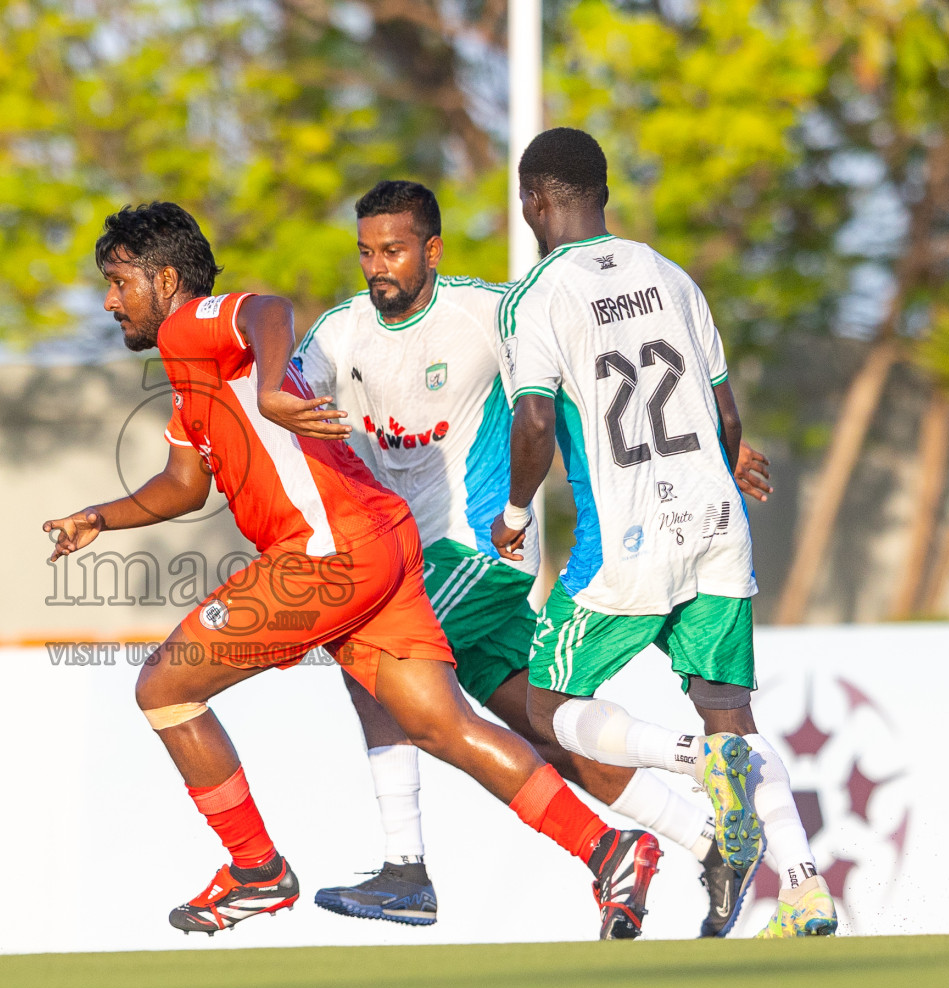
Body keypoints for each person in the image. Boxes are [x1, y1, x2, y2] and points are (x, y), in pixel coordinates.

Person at [43, 202, 661, 940]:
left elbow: (266, 308)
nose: (109, 301)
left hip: (328, 554)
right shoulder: (191, 378)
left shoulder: (189, 325)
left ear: (165, 278)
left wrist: (276, 387)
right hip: (382, 542)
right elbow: (184, 485)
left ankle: (254, 871)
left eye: (117, 282)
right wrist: (99, 516)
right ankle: (611, 850)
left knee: (164, 686)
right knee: (444, 725)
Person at [297, 179, 775, 937]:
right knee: (548, 725)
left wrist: (726, 444)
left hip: (481, 549)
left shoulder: (486, 311)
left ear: (432, 249)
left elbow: (600, 364)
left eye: (392, 250)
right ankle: (704, 836)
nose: (377, 266)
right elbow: (282, 393)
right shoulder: (339, 332)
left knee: (365, 653)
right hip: (409, 561)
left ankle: (405, 869)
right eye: (365, 252)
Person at [491, 127, 835, 938]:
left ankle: (696, 764)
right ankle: (807, 888)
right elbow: (724, 413)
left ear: (536, 199)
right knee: (731, 711)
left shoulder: (535, 297)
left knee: (544, 707)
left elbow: (535, 421)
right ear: (601, 192)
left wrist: (512, 515)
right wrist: (723, 466)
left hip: (629, 543)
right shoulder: (670, 275)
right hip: (717, 524)